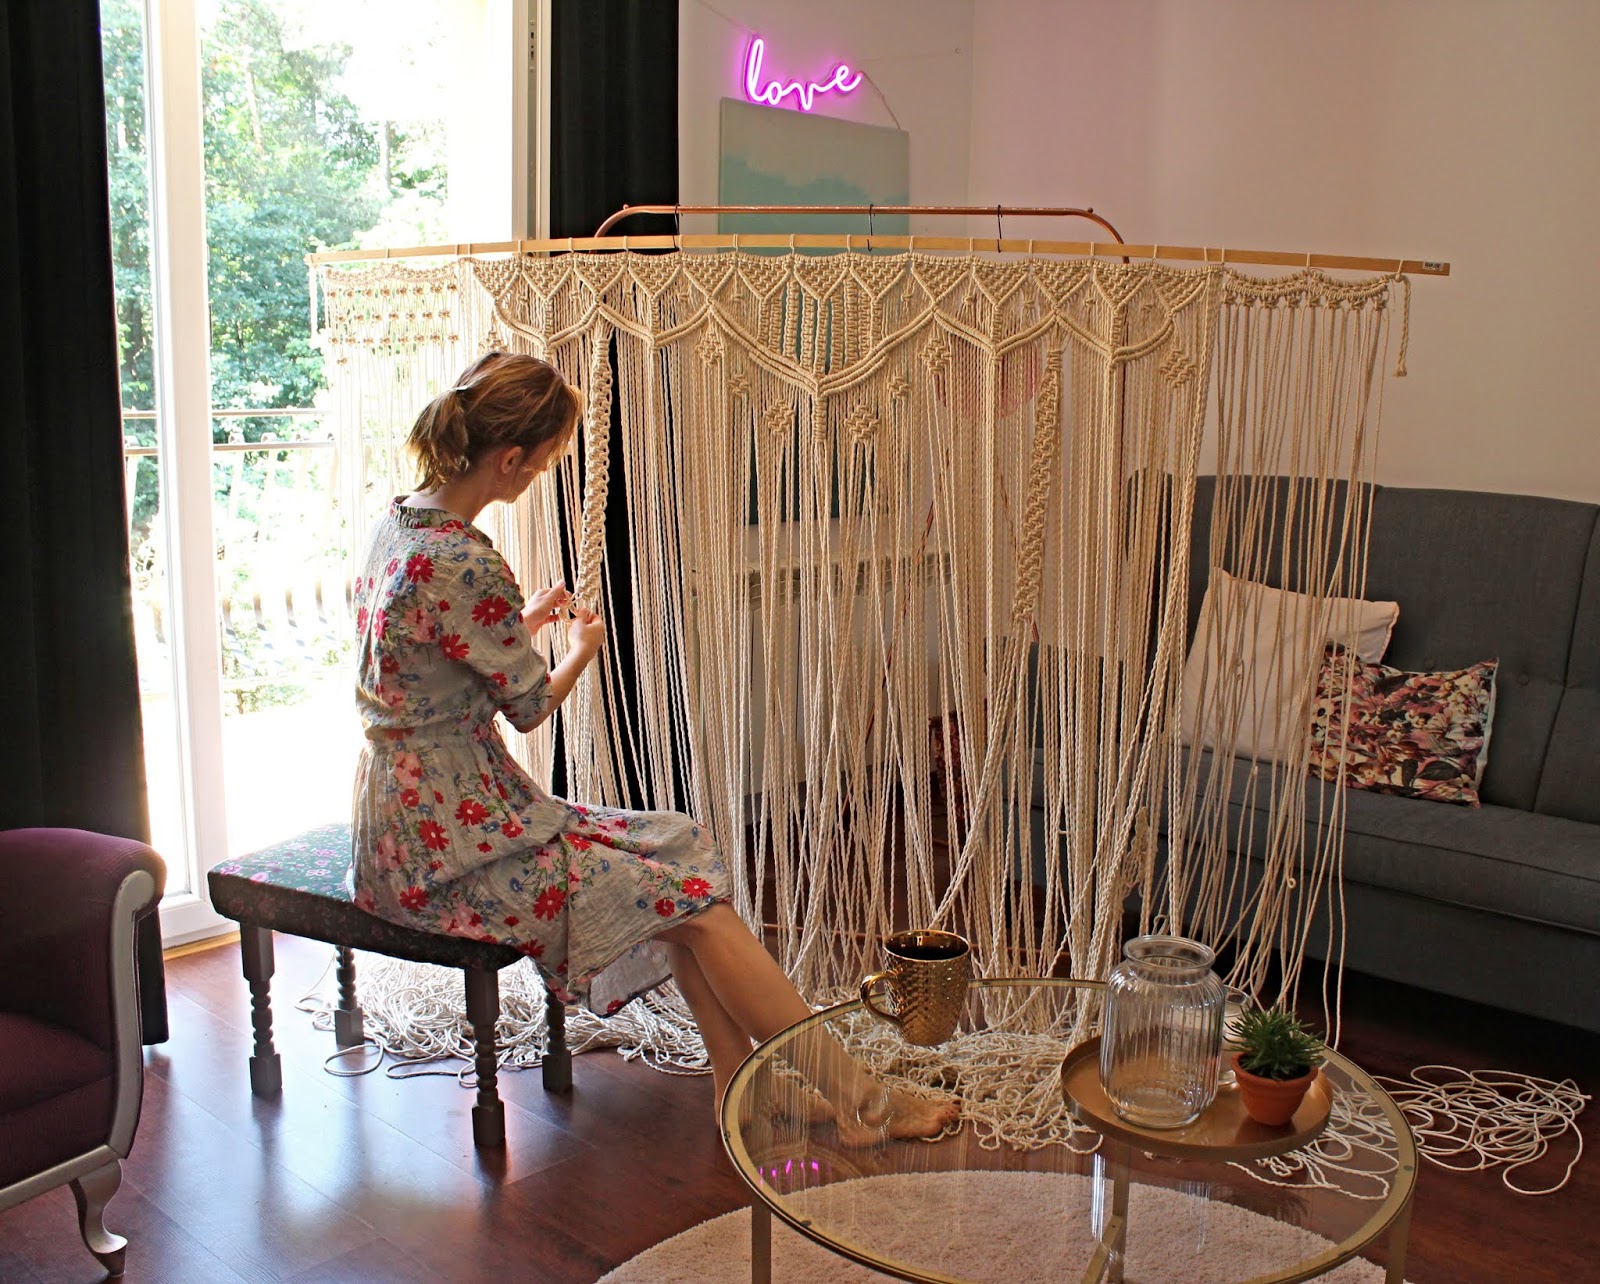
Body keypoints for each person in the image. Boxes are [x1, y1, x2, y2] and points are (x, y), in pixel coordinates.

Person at [349, 351, 956, 1143]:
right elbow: (528, 707)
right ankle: (862, 1102)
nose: (541, 474)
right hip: (451, 849)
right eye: (544, 462)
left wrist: (522, 623)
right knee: (695, 906)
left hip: (408, 820)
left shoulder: (400, 523)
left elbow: (427, 663)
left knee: (679, 844)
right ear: (509, 459)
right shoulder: (466, 560)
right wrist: (580, 651)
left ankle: (749, 1086)